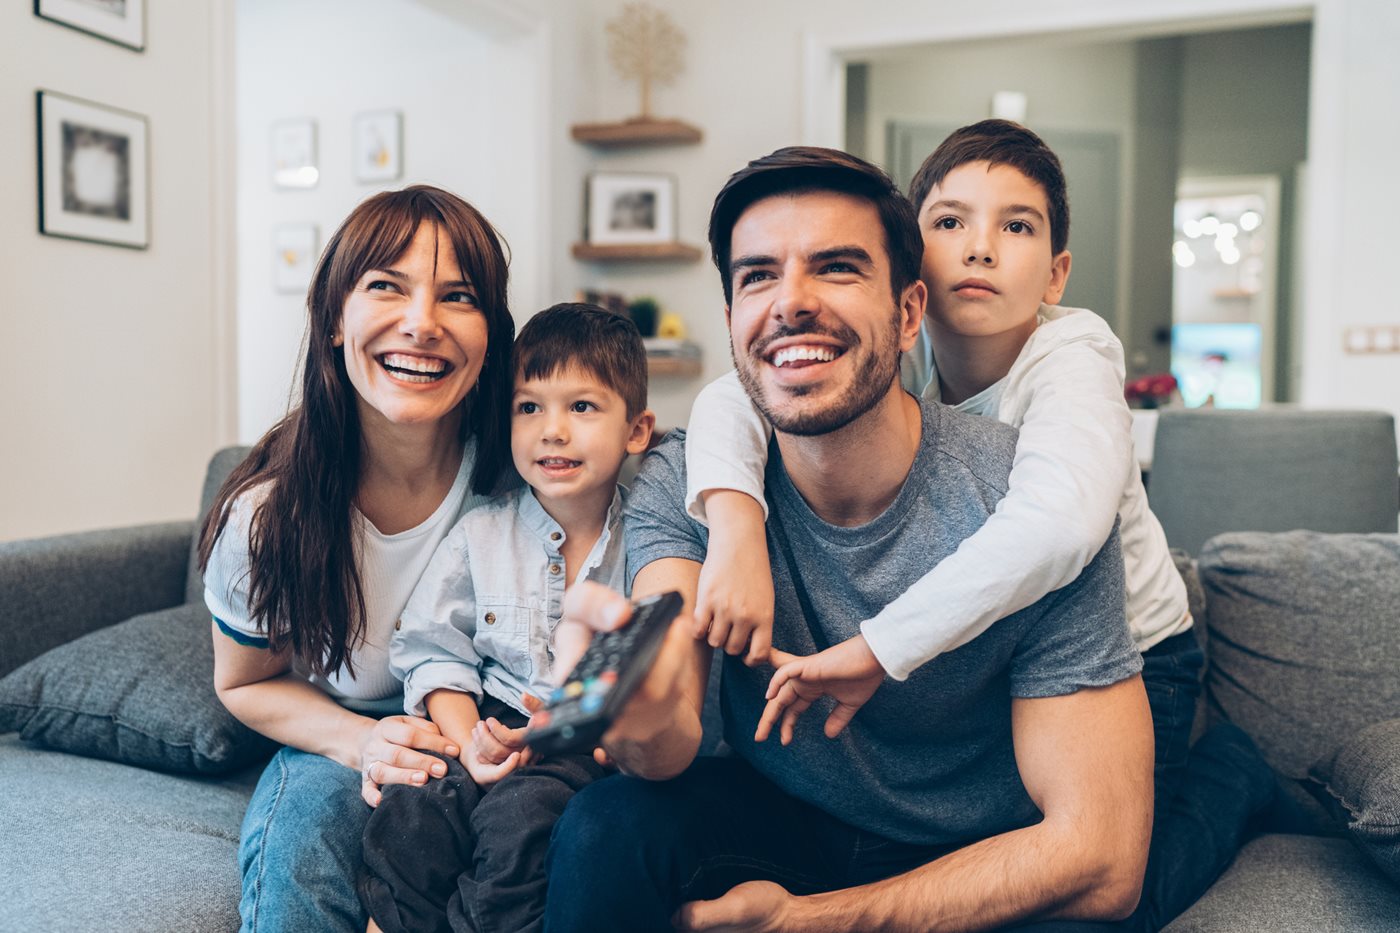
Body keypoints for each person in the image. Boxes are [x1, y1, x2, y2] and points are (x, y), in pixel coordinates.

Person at [542, 146, 1156, 932]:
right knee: (606, 824)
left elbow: (1102, 858)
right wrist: (641, 716)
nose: (790, 303)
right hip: (793, 813)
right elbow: (670, 727)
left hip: (983, 844)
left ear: (908, 314)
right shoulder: (696, 475)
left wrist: (814, 919)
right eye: (757, 276)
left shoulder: (1035, 498)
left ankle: (1229, 778)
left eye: (835, 267)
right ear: (731, 317)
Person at [683, 122, 1274, 929]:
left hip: (1135, 649)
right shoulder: (903, 356)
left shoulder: (1074, 357)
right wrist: (735, 526)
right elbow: (730, 397)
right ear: (911, 273)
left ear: (1057, 273)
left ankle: (1233, 775)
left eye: (1017, 226)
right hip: (1007, 647)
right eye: (951, 222)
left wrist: (878, 648)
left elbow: (1058, 526)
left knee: (1114, 898)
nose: (981, 248)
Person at [199, 185, 515, 933]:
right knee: (303, 833)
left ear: (492, 335)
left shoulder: (530, 479)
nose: (421, 323)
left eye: (458, 295)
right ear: (334, 319)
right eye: (386, 286)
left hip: (499, 744)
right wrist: (363, 741)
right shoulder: (265, 516)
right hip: (345, 734)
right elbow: (244, 683)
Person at [357, 303, 655, 933]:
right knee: (410, 811)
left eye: (582, 407)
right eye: (529, 407)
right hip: (484, 723)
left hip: (583, 745)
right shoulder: (482, 532)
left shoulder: (651, 543)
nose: (552, 430)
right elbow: (432, 649)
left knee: (522, 823)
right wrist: (469, 742)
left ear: (637, 430)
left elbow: (669, 669)